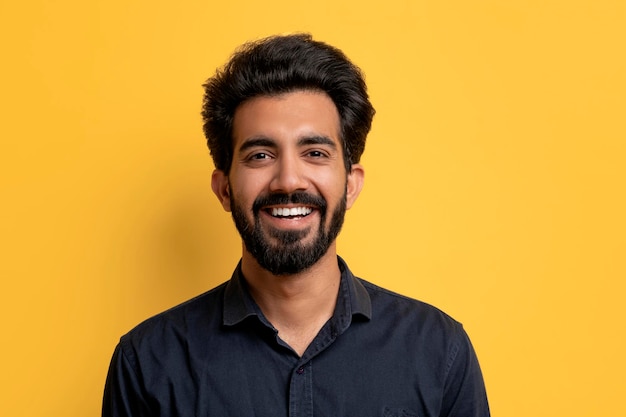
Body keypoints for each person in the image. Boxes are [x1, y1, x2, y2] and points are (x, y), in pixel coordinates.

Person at [102, 33, 490, 417]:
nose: (289, 180)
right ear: (223, 190)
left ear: (351, 185)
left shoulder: (439, 351)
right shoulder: (146, 364)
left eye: (315, 153)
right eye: (260, 155)